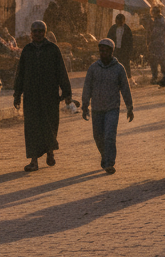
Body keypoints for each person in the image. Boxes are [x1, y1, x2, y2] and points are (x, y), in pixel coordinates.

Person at [13, 20, 72, 171]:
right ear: (31, 33)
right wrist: (17, 94)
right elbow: (20, 73)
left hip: (49, 95)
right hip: (31, 95)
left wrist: (66, 93)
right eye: (35, 31)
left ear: (45, 33)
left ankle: (50, 152)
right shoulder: (27, 50)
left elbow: (61, 72)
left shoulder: (53, 49)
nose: (38, 34)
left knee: (49, 125)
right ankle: (33, 161)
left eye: (41, 31)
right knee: (32, 127)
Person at [81, 38, 133, 174]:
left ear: (111, 51)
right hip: (97, 108)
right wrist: (85, 105)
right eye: (101, 50)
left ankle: (109, 162)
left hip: (112, 108)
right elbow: (87, 88)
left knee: (109, 135)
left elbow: (125, 89)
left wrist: (130, 107)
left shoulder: (119, 68)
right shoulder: (93, 68)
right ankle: (104, 156)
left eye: (105, 50)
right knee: (98, 136)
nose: (102, 53)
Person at [106, 12, 135, 78]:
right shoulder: (113, 29)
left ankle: (127, 78)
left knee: (125, 65)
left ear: (124, 21)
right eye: (118, 21)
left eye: (121, 21)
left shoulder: (127, 29)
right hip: (115, 50)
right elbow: (109, 39)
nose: (119, 23)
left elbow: (130, 41)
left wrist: (130, 52)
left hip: (124, 50)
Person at [147, 6, 165, 84]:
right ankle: (162, 76)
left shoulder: (159, 20)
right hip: (160, 43)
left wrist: (150, 40)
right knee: (160, 60)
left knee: (156, 60)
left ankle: (157, 77)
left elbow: (155, 32)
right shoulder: (162, 19)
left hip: (157, 43)